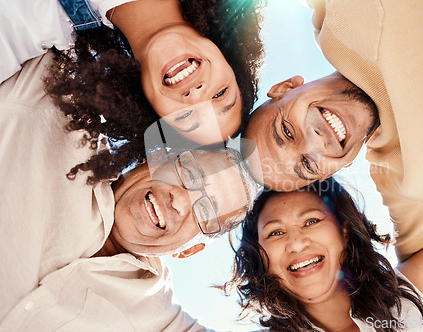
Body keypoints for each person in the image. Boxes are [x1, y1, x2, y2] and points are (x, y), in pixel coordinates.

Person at [0, 53, 259, 330]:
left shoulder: (162, 322)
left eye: (205, 213)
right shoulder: (60, 103)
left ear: (189, 251)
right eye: (189, 172)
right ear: (152, 158)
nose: (181, 201)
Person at [242, 0, 423, 259]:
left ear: (287, 88)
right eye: (308, 165)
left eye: (286, 131)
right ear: (334, 170)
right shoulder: (409, 184)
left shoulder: (333, 10)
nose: (314, 143)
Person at [1, 0, 265, 181]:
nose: (195, 94)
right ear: (229, 57)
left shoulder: (25, 27)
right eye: (220, 95)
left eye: (187, 118)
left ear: (150, 109)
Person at [225, 178, 423, 331]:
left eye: (311, 221)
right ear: (260, 258)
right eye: (275, 233)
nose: (296, 243)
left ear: (344, 231)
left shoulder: (420, 287)